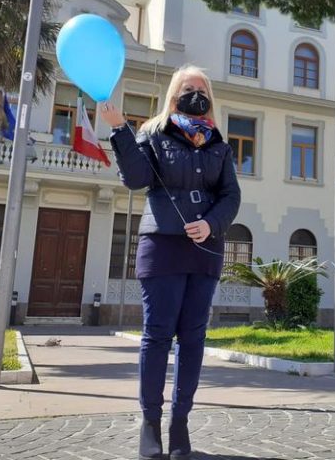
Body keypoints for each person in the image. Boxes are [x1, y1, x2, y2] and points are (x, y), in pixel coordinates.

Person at [102, 65, 241, 460]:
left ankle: (180, 423)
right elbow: (136, 178)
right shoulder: (152, 132)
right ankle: (150, 423)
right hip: (161, 245)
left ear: (209, 97)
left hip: (205, 248)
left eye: (202, 89)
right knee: (158, 335)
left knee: (193, 339)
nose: (195, 93)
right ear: (173, 94)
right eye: (187, 88)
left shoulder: (218, 143)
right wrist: (119, 131)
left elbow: (231, 195)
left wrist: (210, 223)